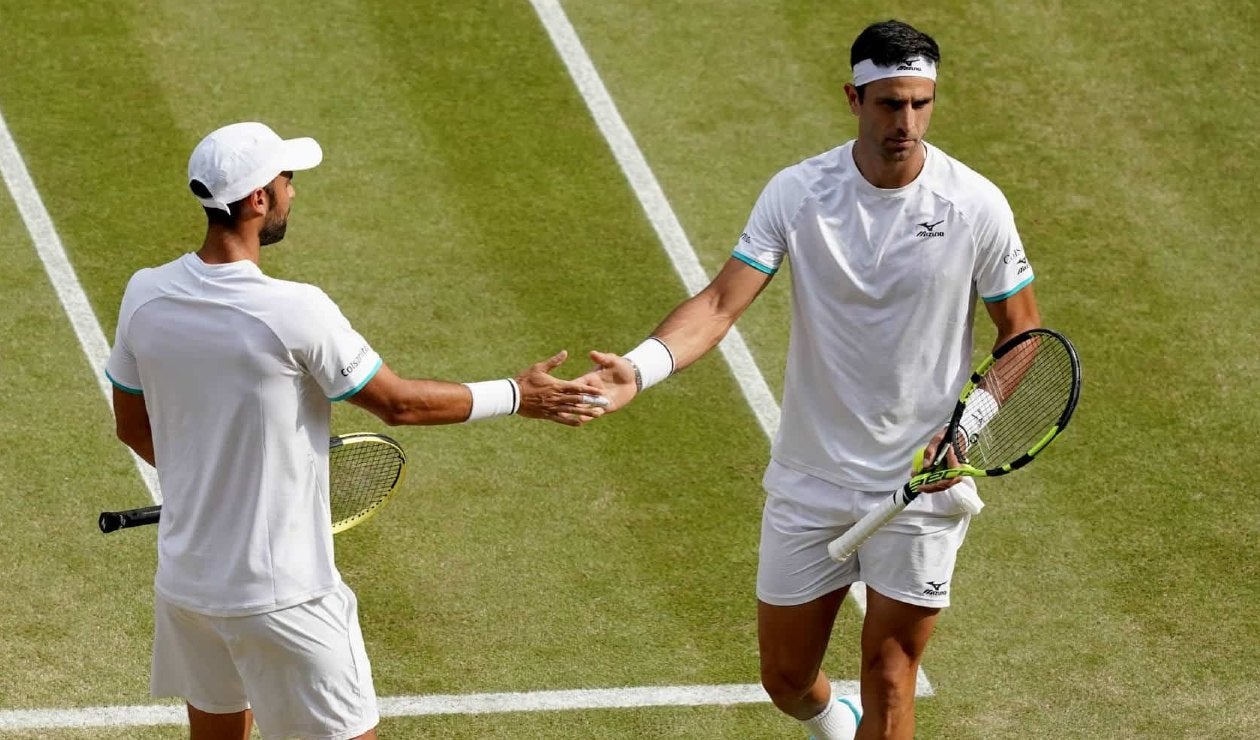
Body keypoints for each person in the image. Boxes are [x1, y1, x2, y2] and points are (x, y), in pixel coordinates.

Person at [580, 19, 1040, 740]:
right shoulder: (798, 193)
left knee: (891, 674)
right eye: (890, 104)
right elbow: (719, 302)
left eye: (921, 104)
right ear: (853, 99)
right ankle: (833, 723)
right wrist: (640, 369)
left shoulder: (975, 205)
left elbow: (1024, 335)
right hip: (810, 479)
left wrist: (966, 431)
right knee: (786, 680)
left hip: (921, 480)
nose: (907, 123)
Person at [105, 121, 606, 740]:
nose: (294, 192)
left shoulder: (143, 295)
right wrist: (516, 395)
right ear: (259, 200)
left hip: (188, 587)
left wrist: (207, 484)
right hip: (285, 597)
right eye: (286, 180)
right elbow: (398, 404)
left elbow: (133, 427)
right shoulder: (295, 310)